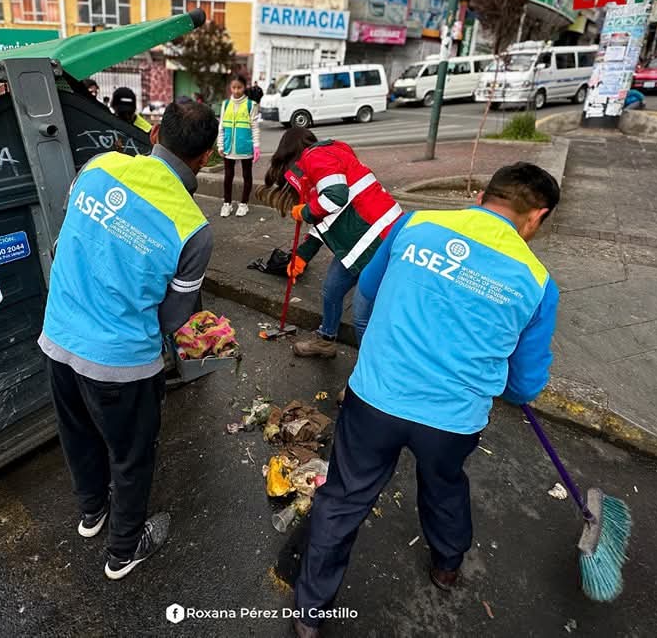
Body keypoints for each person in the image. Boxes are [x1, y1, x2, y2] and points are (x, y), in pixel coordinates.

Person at [291, 162, 560, 638]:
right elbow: (521, 387)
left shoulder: (414, 224)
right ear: (536, 216)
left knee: (345, 495)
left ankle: (311, 611)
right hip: (451, 420)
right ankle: (446, 564)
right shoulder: (539, 284)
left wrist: (378, 341)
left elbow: (366, 296)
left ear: (482, 193)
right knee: (444, 483)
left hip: (376, 394)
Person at [39, 100, 217, 580]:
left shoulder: (98, 167)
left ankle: (92, 512)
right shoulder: (193, 229)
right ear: (206, 158)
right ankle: (123, 550)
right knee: (132, 455)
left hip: (58, 339)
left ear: (155, 132)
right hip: (120, 363)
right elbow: (176, 315)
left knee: (77, 433)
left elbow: (71, 237)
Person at [256, 131, 402, 359]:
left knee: (363, 317)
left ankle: (372, 372)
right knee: (332, 290)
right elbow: (328, 218)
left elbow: (335, 197)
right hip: (358, 243)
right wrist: (302, 255)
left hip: (377, 242)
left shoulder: (315, 158)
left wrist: (304, 211)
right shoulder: (324, 162)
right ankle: (326, 340)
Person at [218, 74, 261, 218]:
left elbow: (255, 127)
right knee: (228, 176)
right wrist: (220, 145)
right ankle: (227, 204)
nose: (236, 91)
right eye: (233, 87)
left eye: (239, 87)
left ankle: (244, 204)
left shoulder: (251, 105)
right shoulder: (225, 104)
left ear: (244, 87)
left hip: (245, 148)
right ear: (230, 88)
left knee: (246, 176)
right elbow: (221, 127)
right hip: (229, 147)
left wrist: (256, 146)